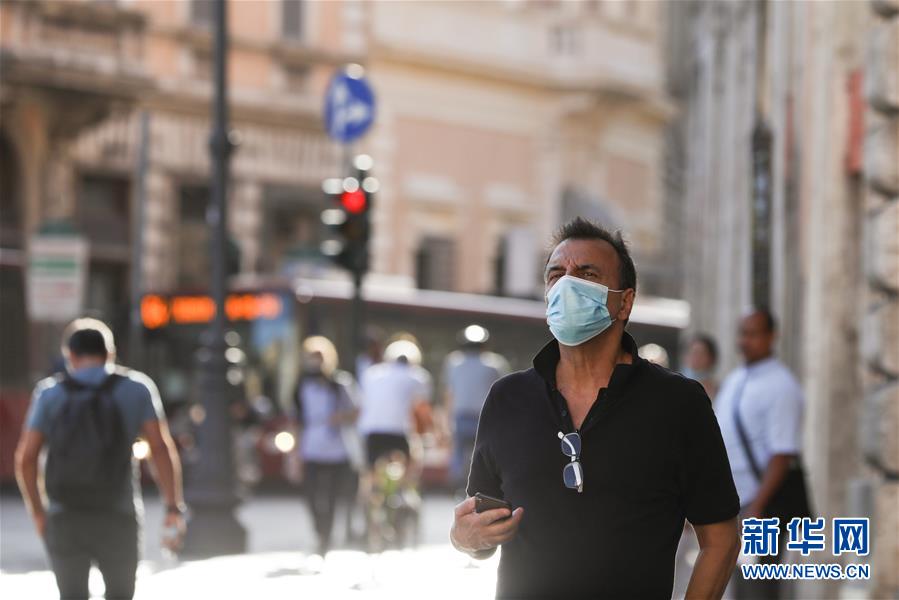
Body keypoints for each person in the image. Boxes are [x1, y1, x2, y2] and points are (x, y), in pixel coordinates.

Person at [450, 217, 740, 599]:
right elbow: (483, 526)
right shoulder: (507, 398)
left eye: (587, 274)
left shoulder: (678, 403)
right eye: (556, 275)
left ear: (624, 302)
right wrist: (465, 537)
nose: (567, 285)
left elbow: (721, 538)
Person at [15, 318, 185, 600]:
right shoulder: (137, 389)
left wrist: (39, 512)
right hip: (119, 514)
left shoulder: (49, 394)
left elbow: (26, 458)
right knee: (120, 595)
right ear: (110, 354)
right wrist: (172, 507)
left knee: (72, 595)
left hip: (65, 515)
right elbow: (160, 448)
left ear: (70, 355)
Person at [714, 308, 804, 599]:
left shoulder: (781, 385)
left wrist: (757, 508)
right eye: (743, 333)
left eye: (753, 334)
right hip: (735, 504)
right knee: (738, 586)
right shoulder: (737, 378)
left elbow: (782, 453)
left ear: (771, 336)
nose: (745, 341)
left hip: (760, 507)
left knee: (758, 588)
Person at [292, 336, 358, 557]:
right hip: (311, 447)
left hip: (335, 449)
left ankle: (326, 540)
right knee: (310, 495)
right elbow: (297, 420)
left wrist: (339, 417)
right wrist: (294, 453)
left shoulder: (340, 383)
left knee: (330, 497)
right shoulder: (301, 384)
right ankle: (319, 531)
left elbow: (357, 410)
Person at [442, 325, 509, 492]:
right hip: (485, 418)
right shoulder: (494, 364)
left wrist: (447, 420)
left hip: (461, 417)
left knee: (458, 455)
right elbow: (502, 394)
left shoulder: (454, 363)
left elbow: (449, 394)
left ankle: (457, 485)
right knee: (485, 455)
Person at [357, 338, 433, 468]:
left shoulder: (371, 373)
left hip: (370, 430)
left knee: (371, 470)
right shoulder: (418, 376)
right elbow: (423, 409)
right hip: (399, 430)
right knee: (410, 464)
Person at [684, 333, 720, 400]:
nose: (696, 358)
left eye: (701, 353)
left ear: (711, 358)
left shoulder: (719, 391)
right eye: (694, 353)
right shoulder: (679, 386)